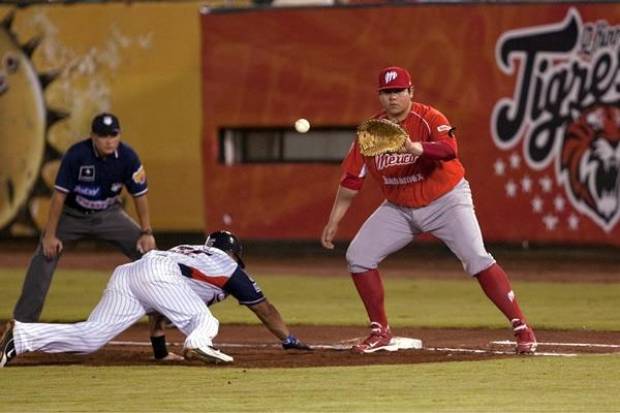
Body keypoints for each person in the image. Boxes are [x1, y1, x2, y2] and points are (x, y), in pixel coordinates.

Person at [320, 66, 537, 355]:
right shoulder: (371, 132)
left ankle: (521, 326)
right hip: (399, 208)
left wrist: (416, 147)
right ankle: (379, 330)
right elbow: (351, 181)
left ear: (411, 92)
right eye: (386, 92)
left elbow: (449, 149)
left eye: (398, 91)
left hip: (446, 201)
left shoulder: (430, 117)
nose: (392, 98)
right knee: (358, 256)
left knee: (476, 258)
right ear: (379, 96)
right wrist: (334, 221)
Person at [0, 230, 310, 367]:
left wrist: (160, 351)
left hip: (132, 272)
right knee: (204, 320)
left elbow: (159, 306)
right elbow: (264, 308)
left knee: (90, 337)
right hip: (158, 272)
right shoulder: (227, 265)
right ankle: (198, 344)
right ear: (235, 253)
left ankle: (22, 336)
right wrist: (288, 338)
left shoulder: (191, 253)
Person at [13, 112, 157, 323]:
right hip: (73, 216)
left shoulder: (128, 157)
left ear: (119, 135)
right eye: (103, 136)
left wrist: (146, 232)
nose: (109, 140)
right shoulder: (76, 155)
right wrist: (50, 235)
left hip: (109, 214)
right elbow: (59, 197)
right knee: (44, 256)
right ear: (92, 136)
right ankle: (22, 322)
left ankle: (165, 312)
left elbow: (140, 196)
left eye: (113, 135)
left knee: (150, 255)